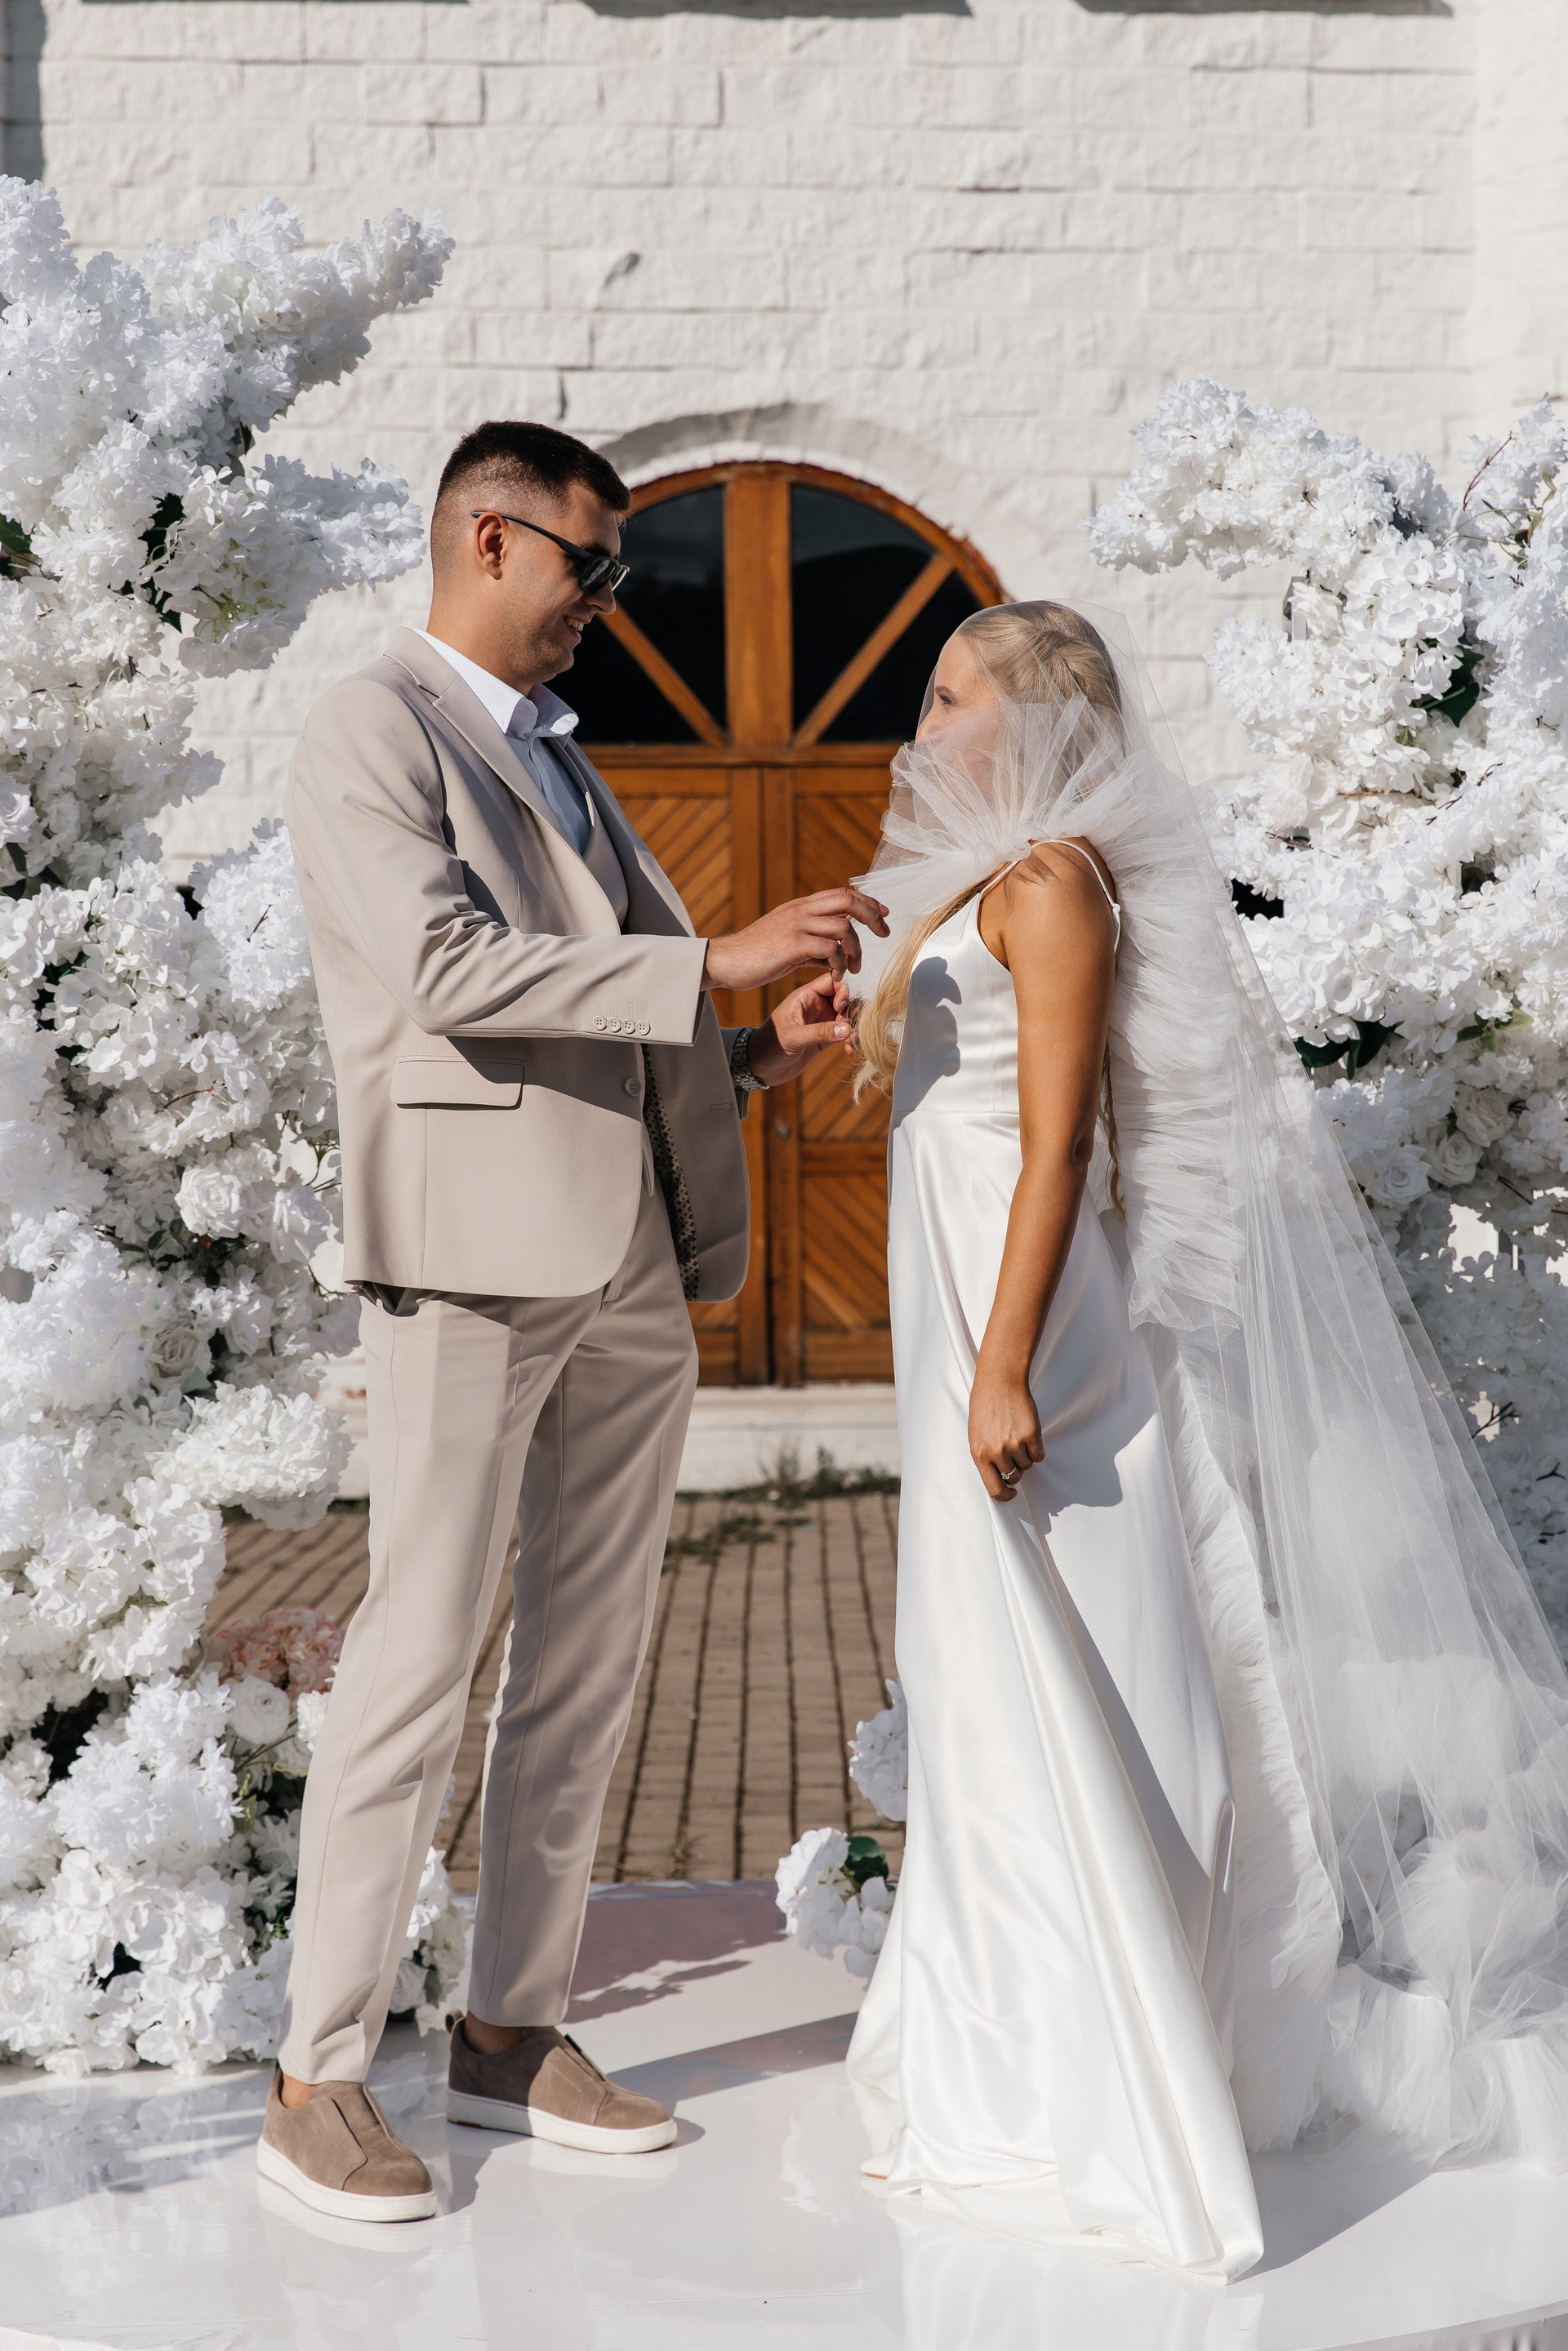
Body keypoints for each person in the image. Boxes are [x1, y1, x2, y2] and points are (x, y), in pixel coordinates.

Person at [844, 601, 1568, 2278]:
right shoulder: (981, 877)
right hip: (961, 1295)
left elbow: (1054, 1149)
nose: (919, 724)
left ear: (1030, 719)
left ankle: (1103, 2073)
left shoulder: (1051, 884)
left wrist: (1004, 1366)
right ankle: (1004, 2041)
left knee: (1065, 1667)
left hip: (1026, 1319)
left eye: (947, 697)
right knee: (981, 1671)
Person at [261, 419, 887, 2225]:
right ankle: (317, 2076)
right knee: (420, 1656)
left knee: (590, 1666)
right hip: (467, 1261)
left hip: (625, 1266)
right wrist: (713, 960)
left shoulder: (560, 753)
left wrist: (749, 1048)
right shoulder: (372, 727)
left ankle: (509, 2031)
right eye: (591, 566)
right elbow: (448, 971)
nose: (610, 599)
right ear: (488, 539)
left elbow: (604, 1038)